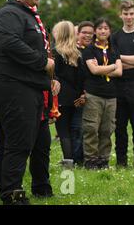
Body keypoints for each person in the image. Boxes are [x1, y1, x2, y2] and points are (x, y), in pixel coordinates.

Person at [0, 0, 58, 204]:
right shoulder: (9, 13)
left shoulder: (26, 14)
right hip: (13, 88)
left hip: (27, 87)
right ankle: (12, 193)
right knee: (17, 144)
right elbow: (9, 43)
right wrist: (42, 62)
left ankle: (8, 187)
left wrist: (50, 75)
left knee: (13, 142)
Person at [111, 0, 134, 168]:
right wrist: (129, 61)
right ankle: (121, 161)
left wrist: (120, 58)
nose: (128, 17)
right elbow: (113, 63)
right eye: (125, 14)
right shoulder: (115, 37)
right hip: (118, 84)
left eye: (131, 13)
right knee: (120, 126)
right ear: (121, 15)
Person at [82, 18, 122, 169]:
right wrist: (112, 66)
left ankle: (103, 160)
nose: (103, 31)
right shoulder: (89, 50)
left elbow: (119, 72)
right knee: (91, 128)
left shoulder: (114, 50)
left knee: (107, 129)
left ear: (110, 31)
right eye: (100, 28)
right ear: (95, 31)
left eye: (106, 28)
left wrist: (102, 69)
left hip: (111, 96)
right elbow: (94, 70)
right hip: (94, 94)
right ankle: (91, 160)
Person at [52, 21, 85, 168]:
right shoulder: (78, 54)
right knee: (74, 130)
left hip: (61, 97)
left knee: (63, 131)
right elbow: (81, 78)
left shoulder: (55, 53)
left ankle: (68, 162)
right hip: (76, 97)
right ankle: (77, 159)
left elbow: (54, 75)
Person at [71, 21, 95, 165]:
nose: (87, 35)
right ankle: (75, 159)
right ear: (78, 34)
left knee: (90, 129)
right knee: (77, 128)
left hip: (92, 94)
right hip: (76, 95)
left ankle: (88, 158)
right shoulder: (73, 51)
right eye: (84, 32)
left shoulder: (95, 50)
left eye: (90, 33)